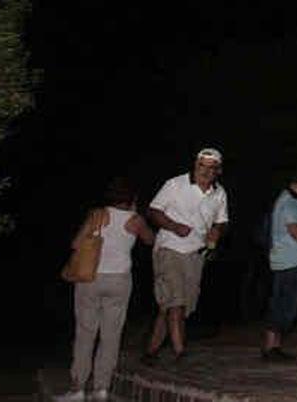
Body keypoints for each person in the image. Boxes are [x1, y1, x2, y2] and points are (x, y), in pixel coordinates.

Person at [60, 178, 154, 401]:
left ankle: (78, 389)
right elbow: (150, 240)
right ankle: (102, 389)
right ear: (132, 199)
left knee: (85, 334)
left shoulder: (97, 215)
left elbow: (75, 244)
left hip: (90, 278)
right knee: (111, 336)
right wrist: (135, 215)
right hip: (119, 281)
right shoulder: (135, 220)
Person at [143, 148, 229, 363]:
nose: (206, 171)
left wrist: (217, 231)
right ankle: (180, 351)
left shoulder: (219, 193)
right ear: (195, 165)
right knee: (176, 302)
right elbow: (153, 211)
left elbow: (222, 220)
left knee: (177, 305)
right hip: (170, 248)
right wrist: (173, 226)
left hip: (196, 253)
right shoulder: (175, 184)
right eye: (202, 165)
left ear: (218, 170)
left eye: (211, 167)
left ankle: (151, 351)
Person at [262, 171, 297, 361]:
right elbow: (295, 231)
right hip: (291, 261)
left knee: (283, 303)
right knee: (284, 304)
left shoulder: (286, 199)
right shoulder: (291, 202)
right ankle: (270, 347)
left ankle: (274, 346)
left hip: (287, 260)